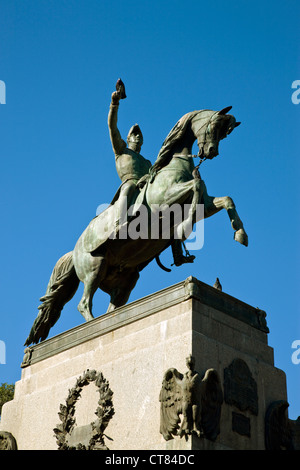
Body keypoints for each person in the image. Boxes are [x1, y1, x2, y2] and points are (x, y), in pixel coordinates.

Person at [108, 82, 194, 266]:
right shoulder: (121, 150)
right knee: (129, 186)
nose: (138, 137)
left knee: (173, 213)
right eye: (135, 135)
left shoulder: (147, 162)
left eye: (140, 136)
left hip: (146, 188)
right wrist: (114, 104)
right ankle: (119, 224)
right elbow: (112, 127)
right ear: (129, 138)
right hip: (131, 185)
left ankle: (177, 255)